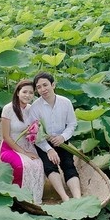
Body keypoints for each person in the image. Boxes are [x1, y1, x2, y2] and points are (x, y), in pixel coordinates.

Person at [27, 72, 81, 201]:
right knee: (49, 165)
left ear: (53, 85)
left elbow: (72, 124)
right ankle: (65, 197)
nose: (43, 89)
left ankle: (78, 198)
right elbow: (35, 133)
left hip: (62, 140)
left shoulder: (66, 102)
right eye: (39, 87)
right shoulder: (35, 107)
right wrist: (49, 149)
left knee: (68, 165)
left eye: (45, 85)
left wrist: (63, 137)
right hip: (43, 142)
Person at [0, 79, 44, 203]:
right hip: (9, 146)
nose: (27, 95)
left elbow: (35, 128)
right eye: (24, 92)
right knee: (22, 166)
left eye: (31, 93)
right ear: (18, 92)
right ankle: (19, 197)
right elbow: (5, 136)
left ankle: (35, 199)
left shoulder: (31, 109)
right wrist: (24, 153)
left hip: (27, 144)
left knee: (38, 164)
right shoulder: (8, 109)